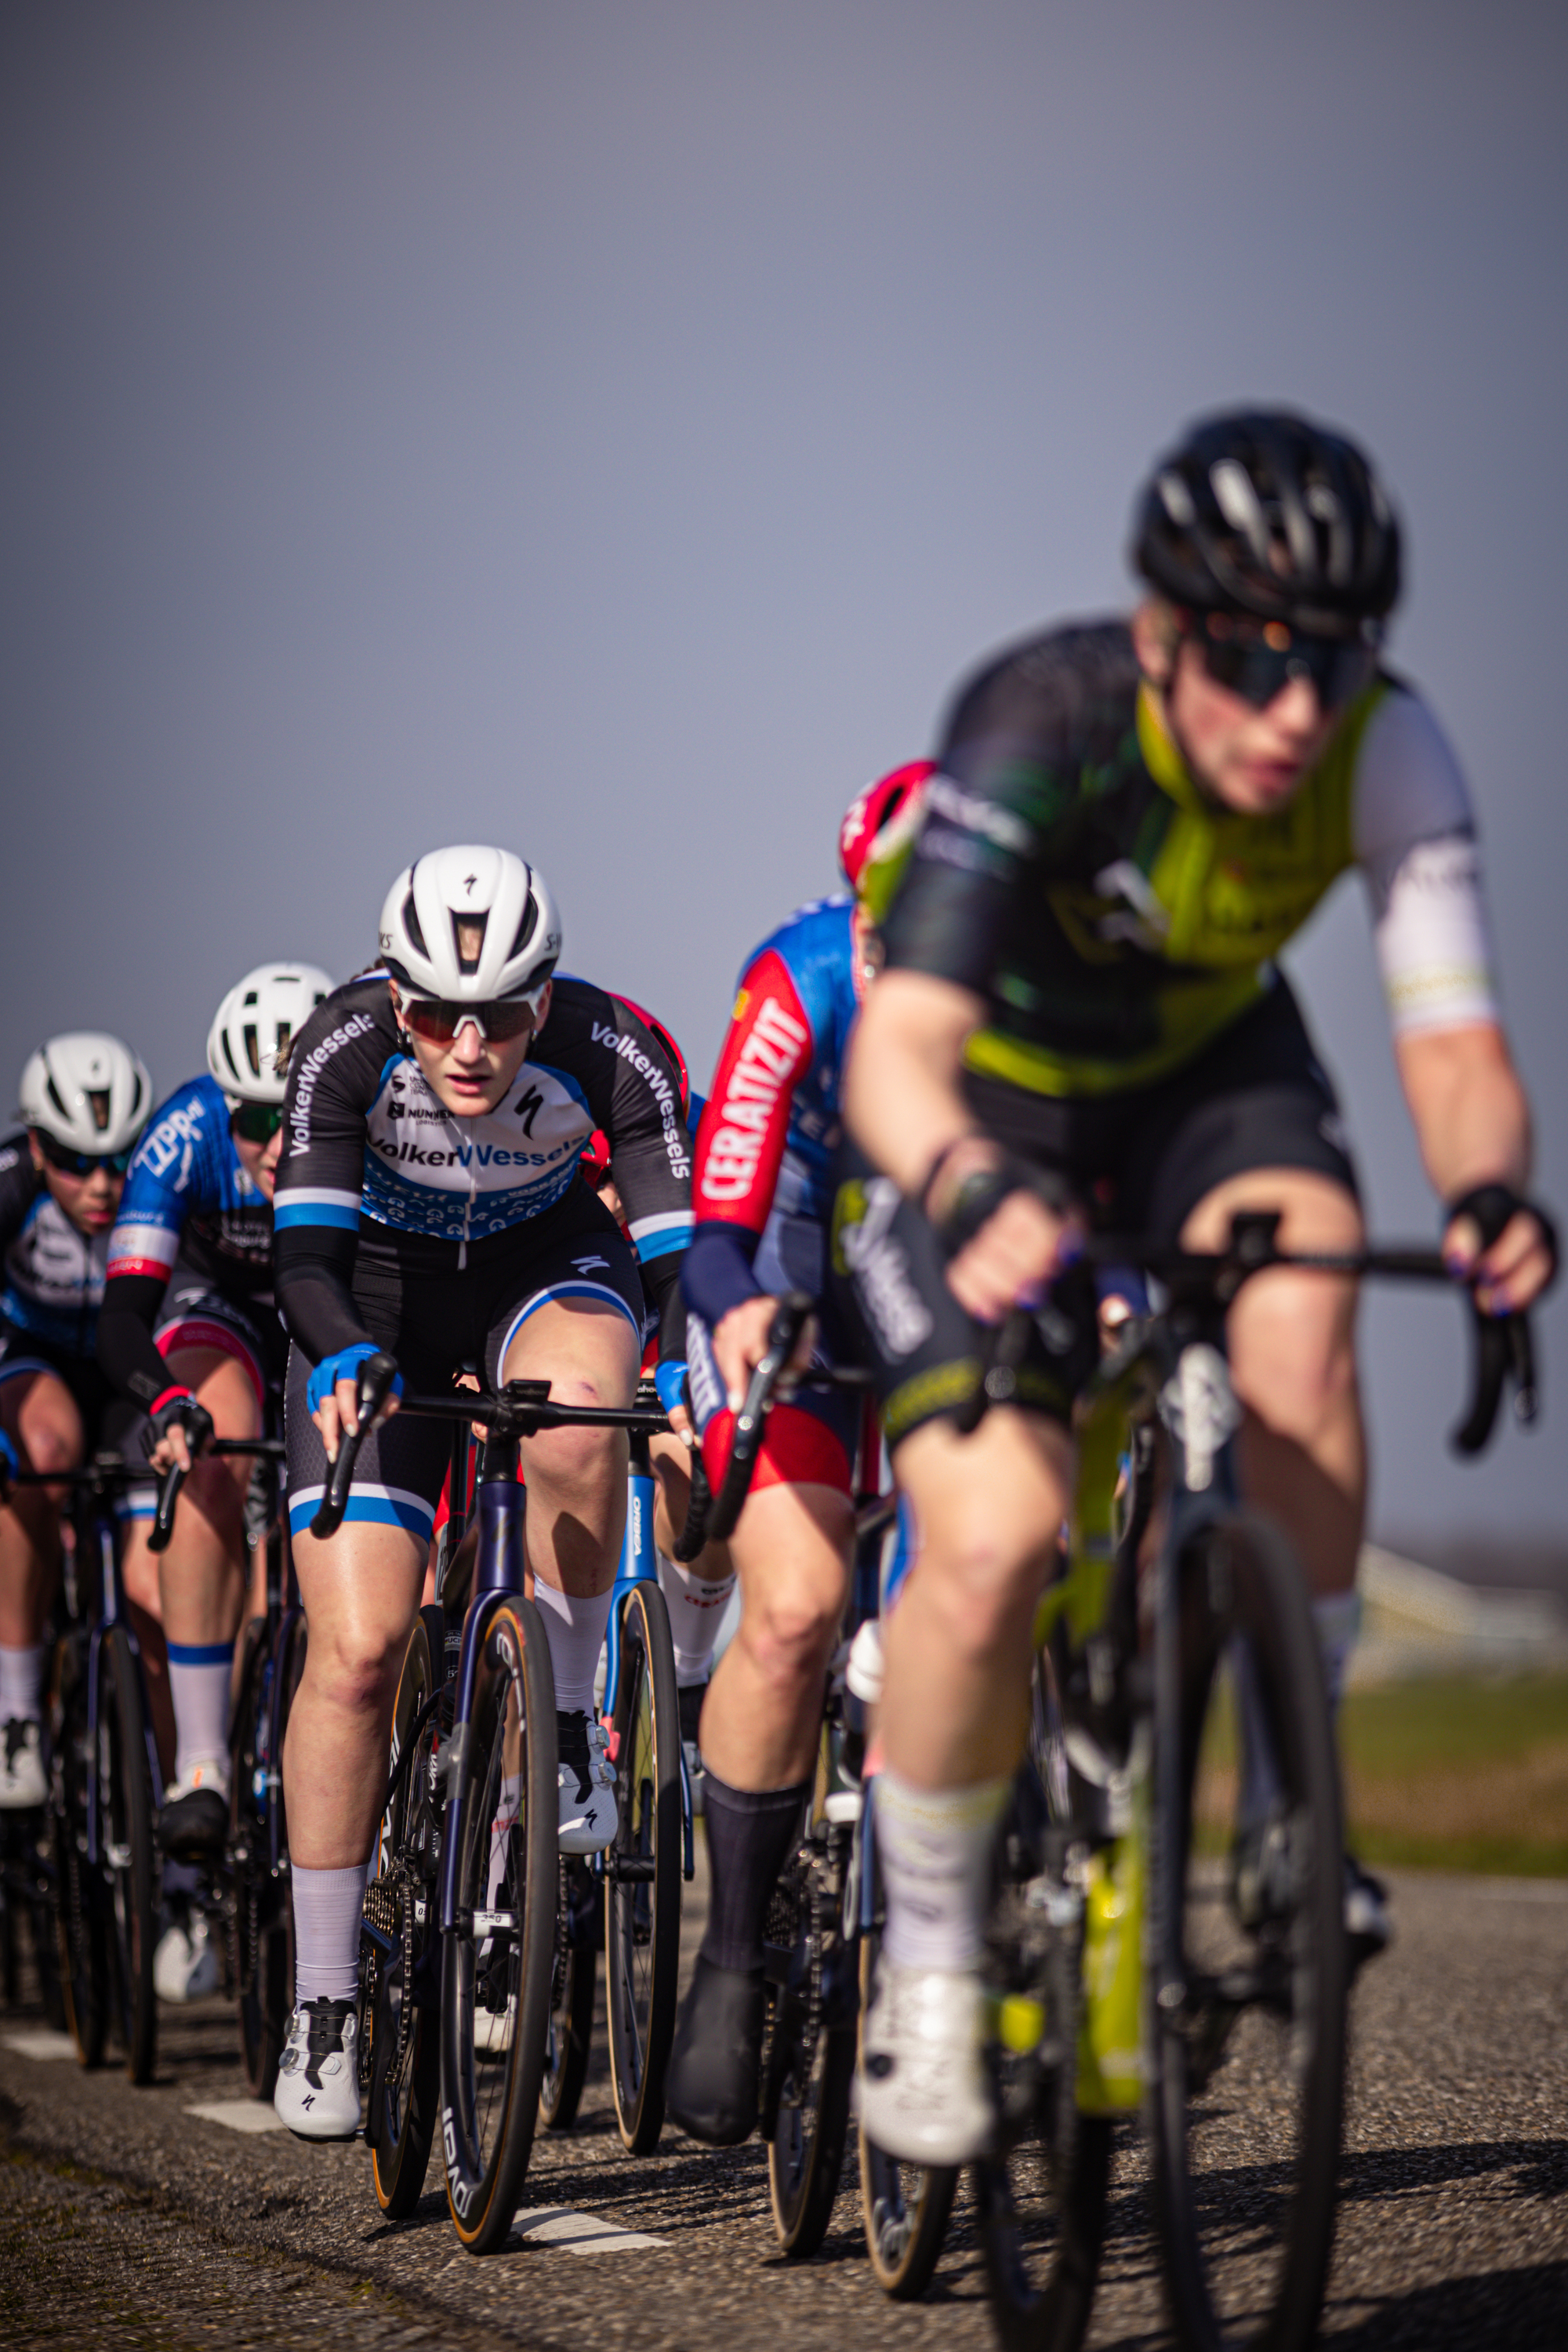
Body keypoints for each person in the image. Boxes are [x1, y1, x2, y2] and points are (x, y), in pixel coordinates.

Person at [838, 408, 1557, 2166]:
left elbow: (1449, 1036)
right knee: (998, 1537)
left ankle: (1288, 1814)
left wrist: (1485, 1196)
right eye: (1248, 658)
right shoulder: (1040, 723)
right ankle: (928, 1965)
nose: (1295, 709)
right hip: (980, 1105)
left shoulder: (1389, 751)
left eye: (1333, 660)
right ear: (1161, 635)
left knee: (1305, 1312)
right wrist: (964, 1182)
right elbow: (898, 1052)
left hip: (1206, 1079)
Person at [269, 844, 693, 2138]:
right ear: (393, 999)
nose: (468, 1045)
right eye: (438, 1014)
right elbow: (303, 1260)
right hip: (378, 1291)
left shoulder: (618, 1052)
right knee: (355, 1653)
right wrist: (345, 1347)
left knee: (581, 1426)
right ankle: (327, 1998)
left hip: (544, 1267)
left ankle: (565, 1739)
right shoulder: (340, 1050)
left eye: (503, 1014)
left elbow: (680, 1259)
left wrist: (676, 1377)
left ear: (545, 997)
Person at [662, 764, 931, 2145]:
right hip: (792, 1285)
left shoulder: (1032, 996)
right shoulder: (800, 975)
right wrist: (750, 1313)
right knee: (801, 1607)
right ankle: (730, 1954)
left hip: (941, 1292)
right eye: (894, 923)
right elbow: (717, 1228)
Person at [98, 963, 333, 1997]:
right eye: (254, 1120)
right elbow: (119, 1315)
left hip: (330, 1306)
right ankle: (200, 1760)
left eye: (296, 1115)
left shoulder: (376, 1121)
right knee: (213, 1427)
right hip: (221, 1315)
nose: (277, 1142)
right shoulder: (184, 1138)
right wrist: (164, 1405)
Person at [0, 1034, 152, 1806]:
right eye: (74, 1160)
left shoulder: (151, 1187)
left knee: (156, 1565)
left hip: (127, 1369)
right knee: (41, 1452)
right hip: (35, 1359)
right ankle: (18, 1707)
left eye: (118, 1159)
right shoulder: (10, 1187)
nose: (101, 1183)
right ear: (35, 1146)